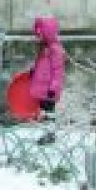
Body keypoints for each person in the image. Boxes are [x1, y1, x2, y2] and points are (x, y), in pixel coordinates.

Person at [28, 16, 66, 144]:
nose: (37, 36)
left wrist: (53, 88)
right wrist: (33, 71)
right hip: (42, 89)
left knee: (49, 114)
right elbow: (42, 67)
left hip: (49, 90)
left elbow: (58, 72)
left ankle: (50, 135)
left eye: (40, 33)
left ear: (47, 33)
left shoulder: (55, 50)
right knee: (44, 113)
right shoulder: (44, 49)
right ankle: (47, 134)